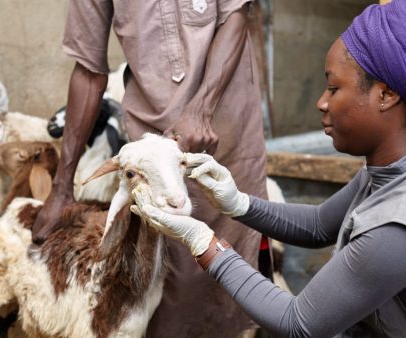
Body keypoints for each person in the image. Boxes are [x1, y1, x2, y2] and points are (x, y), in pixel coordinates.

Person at [131, 0, 406, 337]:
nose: (322, 102)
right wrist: (237, 203)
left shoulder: (402, 221)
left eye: (333, 88)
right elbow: (318, 226)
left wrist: (202, 241)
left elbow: (298, 322)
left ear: (386, 95)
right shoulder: (395, 171)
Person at [32, 0, 271, 337]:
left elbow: (234, 15)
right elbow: (88, 70)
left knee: (228, 272)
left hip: (226, 131)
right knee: (161, 276)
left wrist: (201, 108)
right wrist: (61, 187)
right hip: (152, 140)